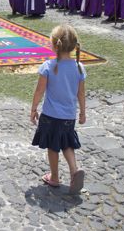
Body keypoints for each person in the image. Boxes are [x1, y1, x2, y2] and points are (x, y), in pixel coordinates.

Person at [30, 24, 86, 195]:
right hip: (69, 116)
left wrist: (33, 109)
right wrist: (83, 112)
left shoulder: (48, 66)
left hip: (50, 116)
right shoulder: (79, 67)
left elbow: (39, 91)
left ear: (54, 45)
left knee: (53, 147)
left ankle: (54, 177)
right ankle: (74, 170)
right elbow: (81, 93)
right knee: (67, 143)